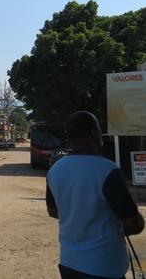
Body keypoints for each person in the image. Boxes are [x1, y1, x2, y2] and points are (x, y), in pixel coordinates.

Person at [46, 111, 144, 279]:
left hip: (69, 263)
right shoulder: (107, 170)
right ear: (93, 132)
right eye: (98, 129)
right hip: (103, 266)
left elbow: (53, 211)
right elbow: (134, 224)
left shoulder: (55, 169)